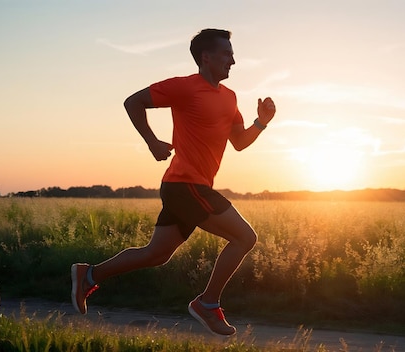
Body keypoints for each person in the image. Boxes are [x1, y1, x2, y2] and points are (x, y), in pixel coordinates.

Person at [70, 28, 276, 336]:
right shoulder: (184, 87)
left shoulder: (230, 98)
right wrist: (152, 141)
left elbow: (239, 142)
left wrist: (261, 122)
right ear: (206, 57)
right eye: (227, 53)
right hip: (185, 184)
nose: (233, 59)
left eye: (232, 54)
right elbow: (133, 102)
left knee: (157, 254)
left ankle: (88, 275)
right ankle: (207, 303)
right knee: (245, 237)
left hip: (191, 187)